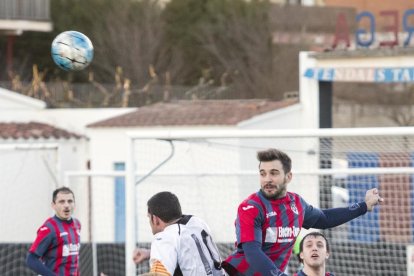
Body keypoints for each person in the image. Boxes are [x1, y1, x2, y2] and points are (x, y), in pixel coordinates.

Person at [222, 148, 383, 276]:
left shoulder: (296, 204)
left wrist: (364, 206)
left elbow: (324, 219)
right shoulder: (251, 207)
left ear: (288, 177)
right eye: (263, 173)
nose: (267, 179)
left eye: (274, 173)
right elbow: (252, 253)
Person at [133, 191, 225, 276]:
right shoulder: (197, 222)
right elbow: (188, 248)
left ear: (155, 219)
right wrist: (149, 253)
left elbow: (160, 275)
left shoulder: (164, 238)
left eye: (149, 218)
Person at [26, 187, 81, 276]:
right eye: (61, 201)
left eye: (70, 201)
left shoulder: (77, 224)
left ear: (74, 204)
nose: (66, 205)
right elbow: (31, 259)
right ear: (53, 205)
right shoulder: (49, 228)